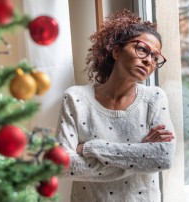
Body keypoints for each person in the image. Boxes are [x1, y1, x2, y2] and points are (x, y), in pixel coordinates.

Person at [56, 9, 176, 202]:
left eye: (155, 57)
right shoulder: (76, 98)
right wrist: (139, 154)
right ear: (116, 51)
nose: (148, 61)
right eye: (142, 49)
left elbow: (164, 158)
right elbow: (64, 166)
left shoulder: (154, 98)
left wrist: (90, 148)